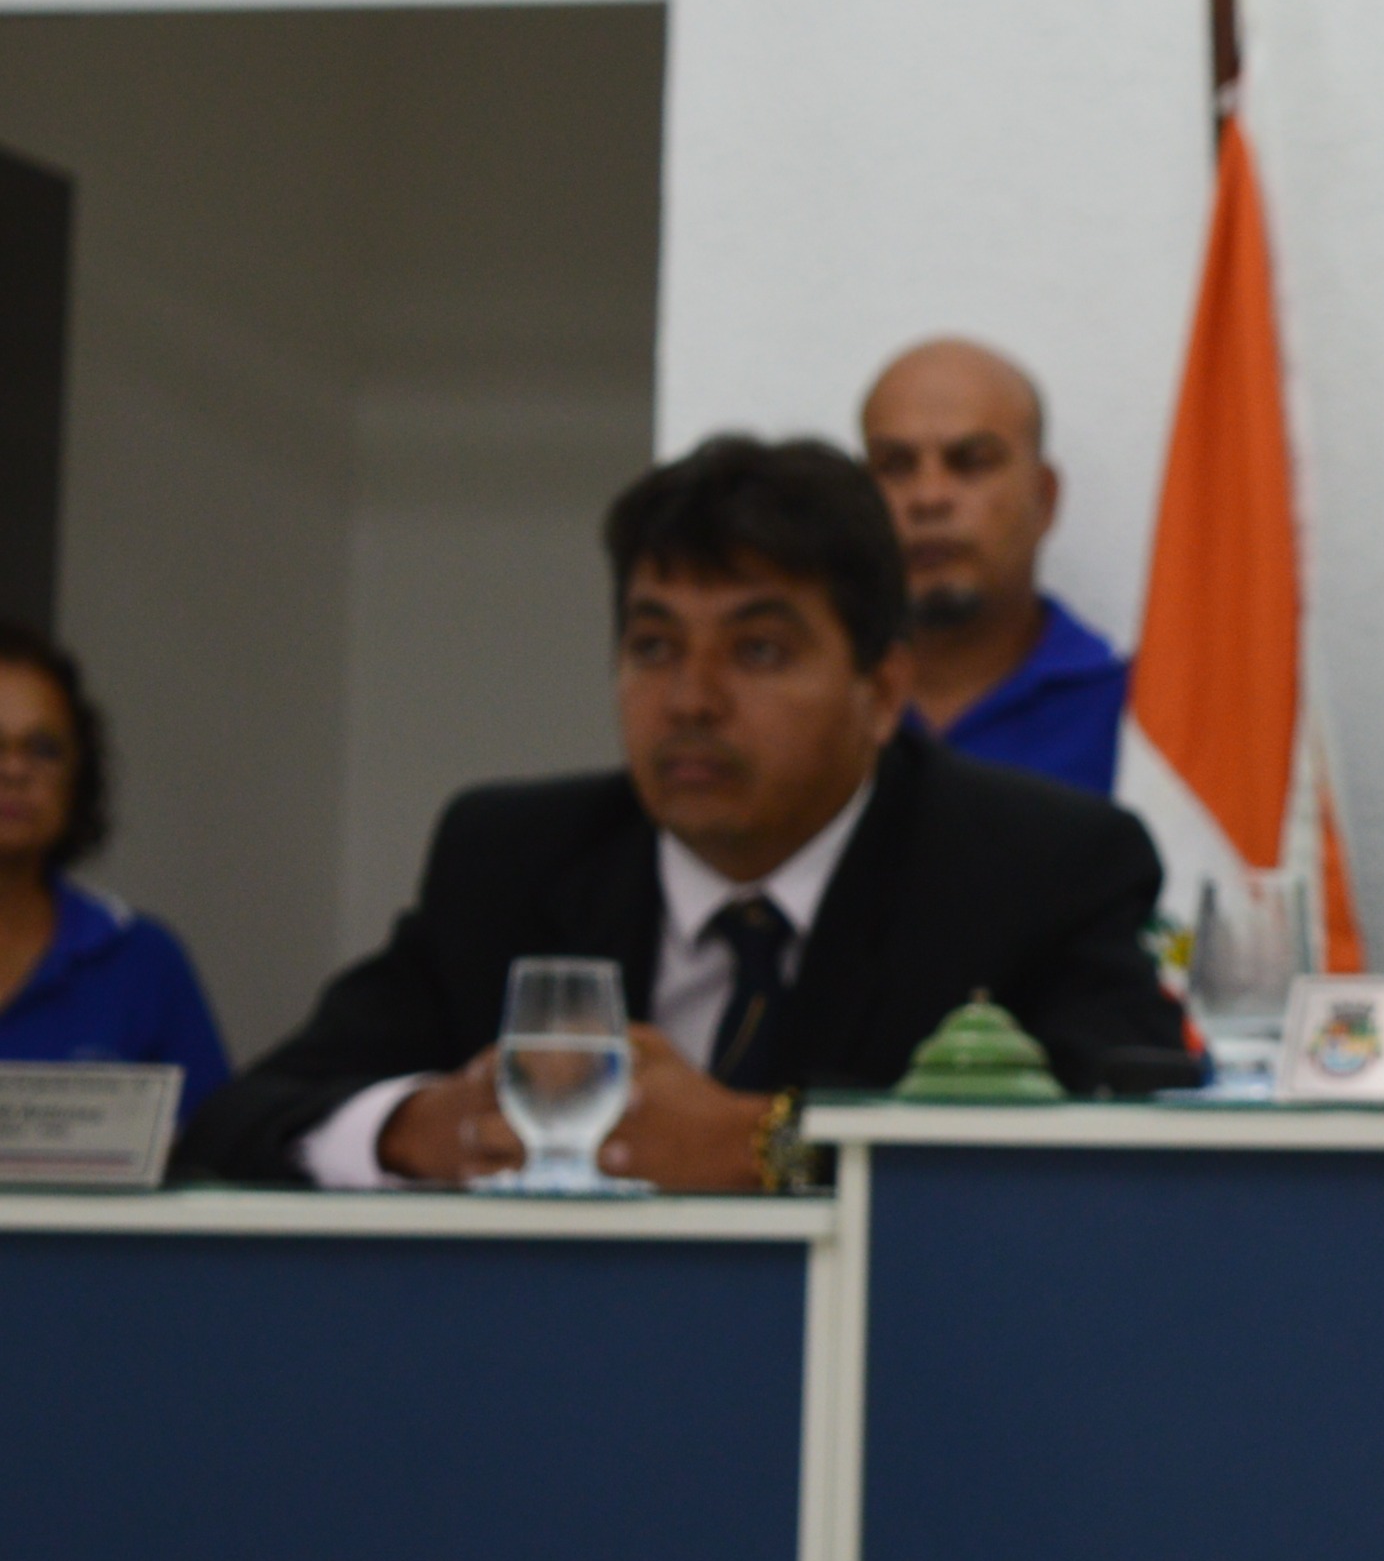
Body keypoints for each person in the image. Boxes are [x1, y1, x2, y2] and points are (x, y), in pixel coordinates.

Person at [182, 436, 1187, 1189]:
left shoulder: (1034, 869)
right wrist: (419, 1130)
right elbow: (238, 1121)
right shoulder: (511, 859)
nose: (691, 700)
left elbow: (1122, 1158)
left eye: (758, 652)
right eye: (654, 647)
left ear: (883, 693)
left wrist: (764, 1145)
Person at [858, 338, 1130, 794]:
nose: (928, 498)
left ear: (1043, 498)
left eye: (971, 463)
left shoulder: (1136, 723)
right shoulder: (819, 708)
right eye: (896, 466)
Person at [0, 622, 231, 1106]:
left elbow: (214, 1140)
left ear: (78, 776)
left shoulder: (141, 959)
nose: (14, 769)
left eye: (44, 749)